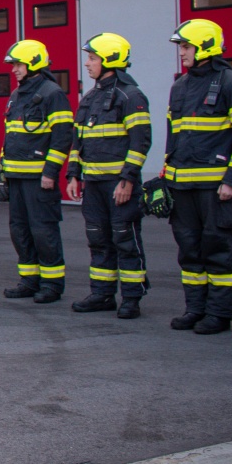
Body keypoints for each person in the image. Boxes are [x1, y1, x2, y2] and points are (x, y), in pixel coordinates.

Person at [165, 19, 232, 335]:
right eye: (181, 47)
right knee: (189, 249)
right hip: (183, 186)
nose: (182, 53)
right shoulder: (179, 86)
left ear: (205, 46)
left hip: (216, 188)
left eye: (186, 47)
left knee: (217, 248)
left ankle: (219, 314)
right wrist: (166, 178)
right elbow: (173, 136)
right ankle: (196, 309)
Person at [67, 33, 153, 319]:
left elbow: (140, 142)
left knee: (125, 240)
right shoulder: (90, 97)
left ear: (110, 61)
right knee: (98, 239)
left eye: (92, 59)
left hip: (119, 187)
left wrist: (127, 180)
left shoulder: (131, 96)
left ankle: (131, 298)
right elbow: (78, 140)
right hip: (93, 185)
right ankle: (102, 294)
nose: (87, 64)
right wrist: (73, 175)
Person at [0, 40, 75, 303]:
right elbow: (11, 135)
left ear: (32, 64)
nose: (14, 70)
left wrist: (51, 172)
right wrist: (3, 169)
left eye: (18, 64)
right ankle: (29, 280)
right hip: (17, 177)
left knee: (43, 231)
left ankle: (52, 285)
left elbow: (63, 138)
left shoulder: (52, 93)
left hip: (40, 180)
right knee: (20, 230)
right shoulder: (18, 94)